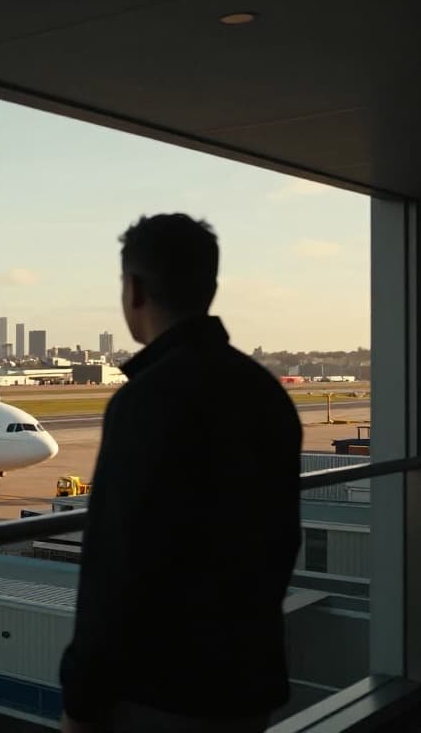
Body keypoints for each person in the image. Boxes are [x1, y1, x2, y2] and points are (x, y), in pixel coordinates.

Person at [59, 213, 301, 733]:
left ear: (134, 289)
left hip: (158, 693)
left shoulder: (145, 400)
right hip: (247, 683)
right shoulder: (267, 393)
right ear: (211, 287)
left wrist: (81, 701)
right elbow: (280, 542)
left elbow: (114, 571)